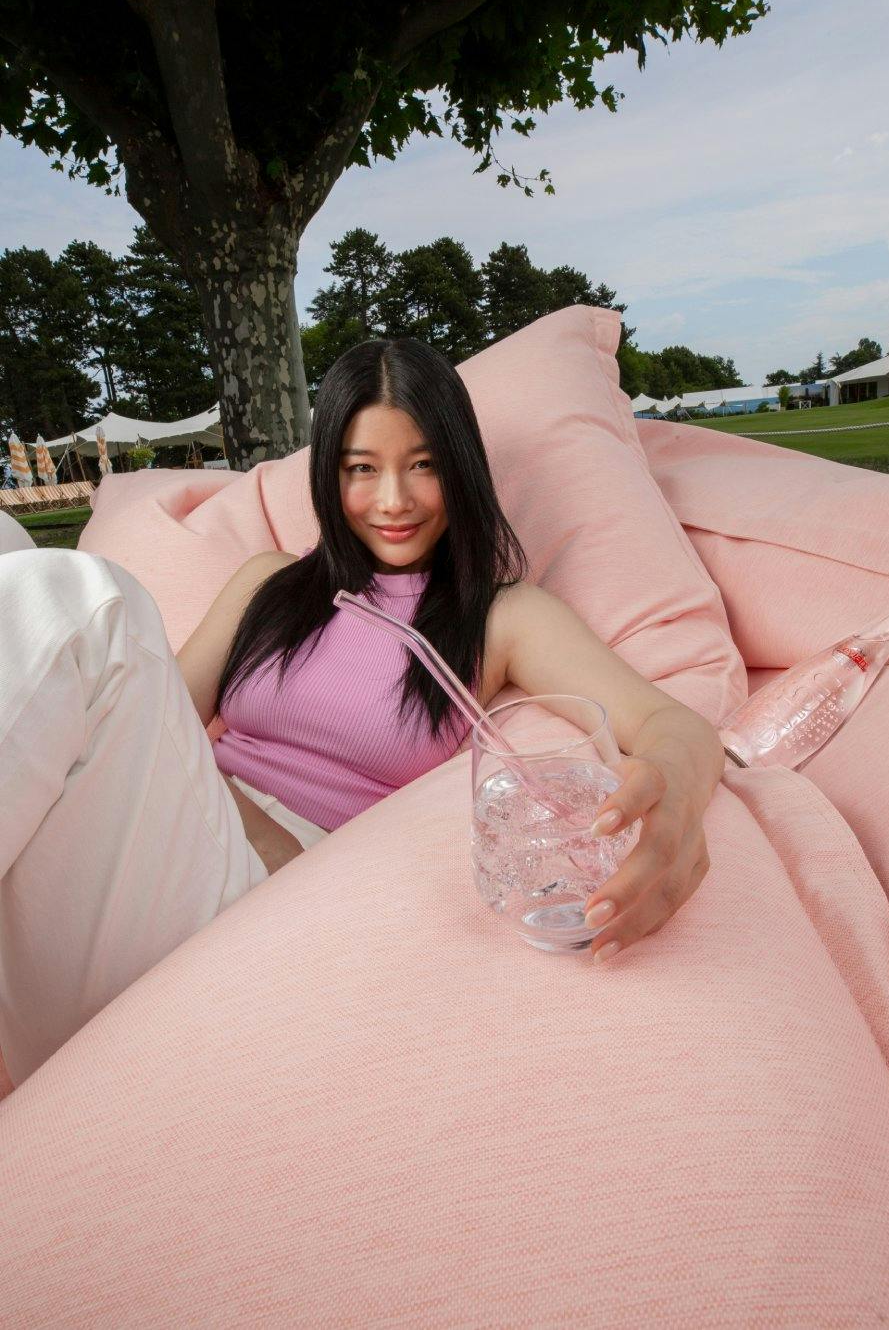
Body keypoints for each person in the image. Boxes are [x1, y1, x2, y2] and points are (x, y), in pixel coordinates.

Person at [0, 338, 722, 1084]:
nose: (394, 501)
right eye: (361, 469)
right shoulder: (267, 583)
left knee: (80, 601)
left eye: (423, 464)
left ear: (461, 468)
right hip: (149, 849)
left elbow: (671, 724)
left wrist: (673, 802)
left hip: (256, 895)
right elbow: (155, 723)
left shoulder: (501, 618)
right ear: (329, 476)